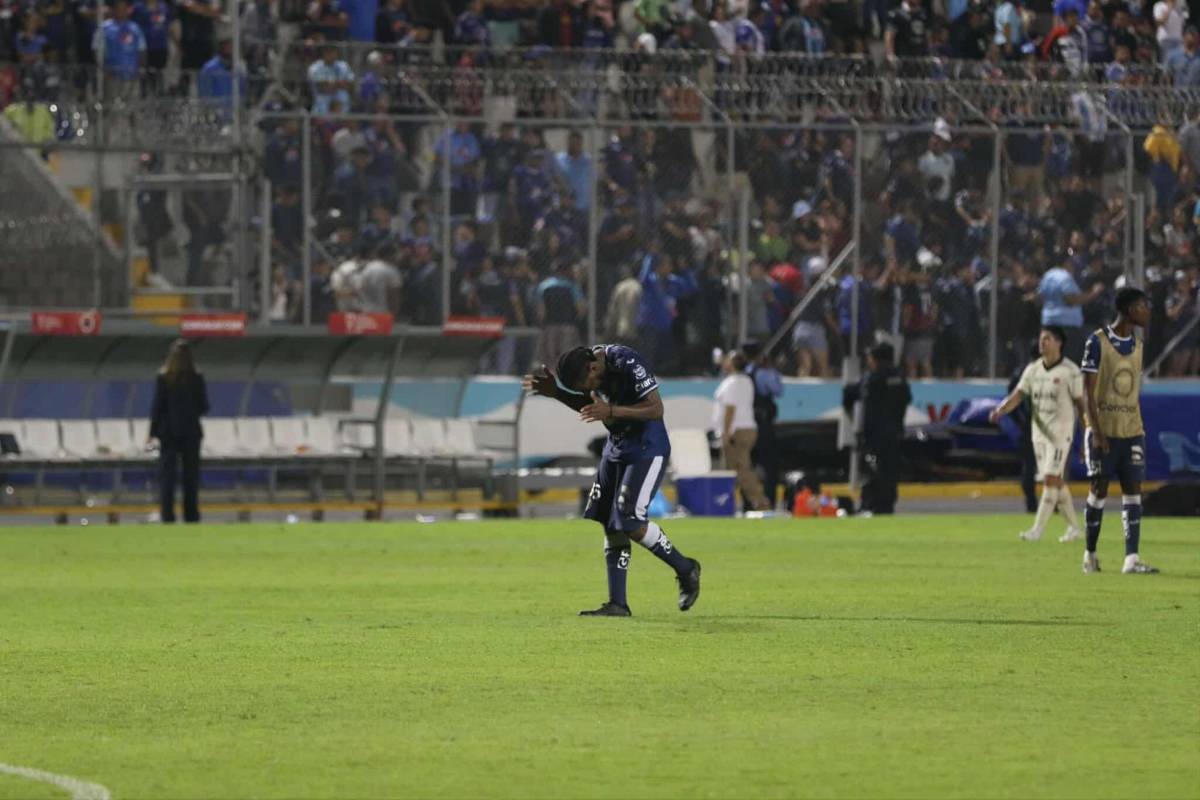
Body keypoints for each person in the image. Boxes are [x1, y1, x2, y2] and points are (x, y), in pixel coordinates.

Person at [522, 345, 702, 617]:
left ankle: (686, 568)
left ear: (594, 367)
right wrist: (557, 393)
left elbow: (655, 408)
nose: (590, 389)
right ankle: (618, 603)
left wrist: (612, 411)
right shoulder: (589, 370)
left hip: (646, 447)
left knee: (629, 519)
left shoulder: (627, 361)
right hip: (616, 446)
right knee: (609, 520)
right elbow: (594, 408)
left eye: (588, 384)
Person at [1079, 288, 1159, 574]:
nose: (1147, 311)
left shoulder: (1138, 344)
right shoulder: (1097, 342)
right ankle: (1089, 554)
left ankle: (1131, 559)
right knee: (1099, 490)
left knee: (1133, 490)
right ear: (1127, 310)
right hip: (1104, 431)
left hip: (1132, 430)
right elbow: (1087, 392)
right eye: (1142, 306)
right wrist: (1095, 431)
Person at [989, 326, 1087, 543]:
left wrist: (1087, 434)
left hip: (1060, 434)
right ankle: (1074, 528)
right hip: (1039, 435)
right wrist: (1000, 410)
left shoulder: (1070, 371)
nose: (1042, 343)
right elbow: (1018, 395)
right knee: (1055, 481)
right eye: (1041, 339)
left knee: (1050, 479)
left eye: (1047, 339)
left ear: (1059, 343)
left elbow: (1081, 405)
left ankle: (1037, 530)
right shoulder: (1033, 370)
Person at [842, 342, 911, 515]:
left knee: (871, 470)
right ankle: (886, 505)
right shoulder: (900, 378)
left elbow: (849, 395)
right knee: (890, 471)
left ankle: (870, 504)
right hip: (894, 434)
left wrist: (851, 419)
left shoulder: (871, 378)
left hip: (873, 436)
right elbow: (907, 400)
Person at [148, 340, 209, 524]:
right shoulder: (196, 378)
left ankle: (168, 516)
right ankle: (191, 516)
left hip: (168, 433)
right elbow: (204, 407)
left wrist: (151, 433)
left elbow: (157, 408)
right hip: (191, 432)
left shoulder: (164, 378)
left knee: (168, 478)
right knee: (191, 478)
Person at [713, 351, 771, 512]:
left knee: (741, 468)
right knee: (730, 470)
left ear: (732, 364)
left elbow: (730, 409)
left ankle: (760, 502)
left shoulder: (733, 383)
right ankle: (724, 503)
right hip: (746, 428)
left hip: (736, 431)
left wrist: (726, 432)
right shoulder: (746, 381)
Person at [744, 341, 783, 509]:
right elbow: (778, 390)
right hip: (763, 424)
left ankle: (748, 502)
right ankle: (769, 501)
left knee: (748, 465)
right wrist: (771, 369)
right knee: (769, 466)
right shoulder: (763, 374)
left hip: (747, 423)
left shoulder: (742, 374)